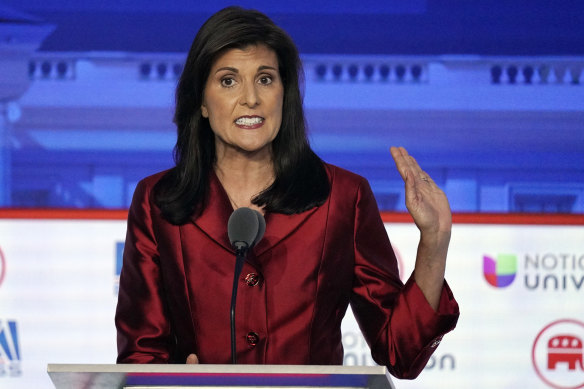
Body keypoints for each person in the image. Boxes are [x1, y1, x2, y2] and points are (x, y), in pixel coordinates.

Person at [115, 6, 459, 379]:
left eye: (265, 79)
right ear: (200, 101)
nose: (251, 99)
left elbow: (401, 352)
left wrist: (435, 240)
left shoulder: (343, 197)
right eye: (228, 81)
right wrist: (174, 386)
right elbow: (140, 356)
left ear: (285, 94)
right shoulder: (158, 201)